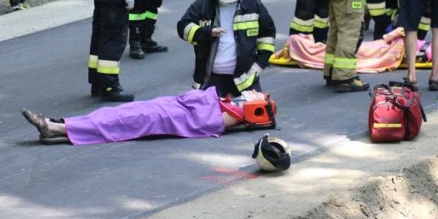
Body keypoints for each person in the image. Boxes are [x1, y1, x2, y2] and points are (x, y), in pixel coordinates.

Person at [21, 88, 274, 145]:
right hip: (167, 107)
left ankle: (54, 129)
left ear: (257, 105)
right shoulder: (230, 104)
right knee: (113, 114)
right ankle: (57, 125)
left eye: (257, 94)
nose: (253, 90)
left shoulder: (237, 112)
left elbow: (207, 122)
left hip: (167, 116)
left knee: (115, 122)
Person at [177, 0, 276, 97]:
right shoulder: (203, 4)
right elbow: (183, 27)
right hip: (210, 80)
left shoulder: (252, 5)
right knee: (209, 117)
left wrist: (258, 66)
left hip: (245, 80)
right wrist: (207, 32)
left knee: (256, 115)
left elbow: (267, 36)